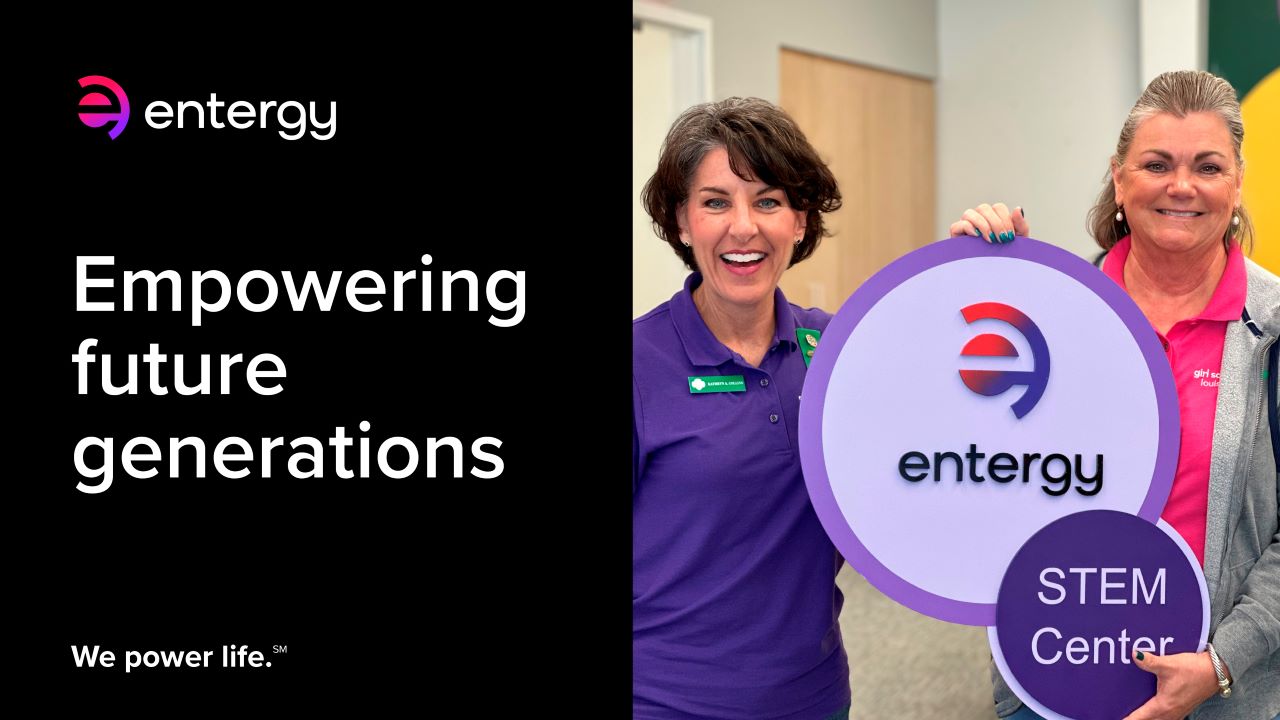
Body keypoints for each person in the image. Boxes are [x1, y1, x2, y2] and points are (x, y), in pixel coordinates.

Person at [951, 70, 1279, 720]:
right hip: (1050, 681)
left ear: (1237, 182)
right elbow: (968, 466)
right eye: (1157, 164)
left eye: (1207, 166)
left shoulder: (1271, 328)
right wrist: (969, 284)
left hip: (1223, 695)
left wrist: (1221, 662)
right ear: (1120, 177)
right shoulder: (1052, 309)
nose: (1181, 185)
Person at [634, 97, 849, 720]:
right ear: (681, 221)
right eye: (715, 201)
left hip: (813, 696)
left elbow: (956, 408)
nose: (744, 227)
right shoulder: (640, 363)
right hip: (664, 702)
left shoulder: (839, 350)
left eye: (768, 200)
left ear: (801, 220)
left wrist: (988, 263)